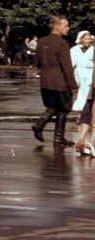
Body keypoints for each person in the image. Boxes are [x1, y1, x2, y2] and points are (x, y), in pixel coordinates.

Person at [31, 15, 76, 147]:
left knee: (53, 107)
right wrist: (73, 85)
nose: (68, 28)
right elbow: (66, 67)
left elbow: (37, 63)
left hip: (45, 81)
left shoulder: (41, 41)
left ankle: (42, 126)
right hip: (60, 81)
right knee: (63, 108)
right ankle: (55, 135)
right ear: (57, 26)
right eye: (66, 25)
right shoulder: (62, 43)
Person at [71, 31, 94, 158]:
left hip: (91, 76)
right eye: (85, 38)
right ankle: (81, 119)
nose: (88, 40)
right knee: (81, 99)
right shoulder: (74, 50)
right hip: (79, 75)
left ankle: (83, 119)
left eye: (89, 38)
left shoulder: (93, 50)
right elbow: (71, 64)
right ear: (80, 39)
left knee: (88, 100)